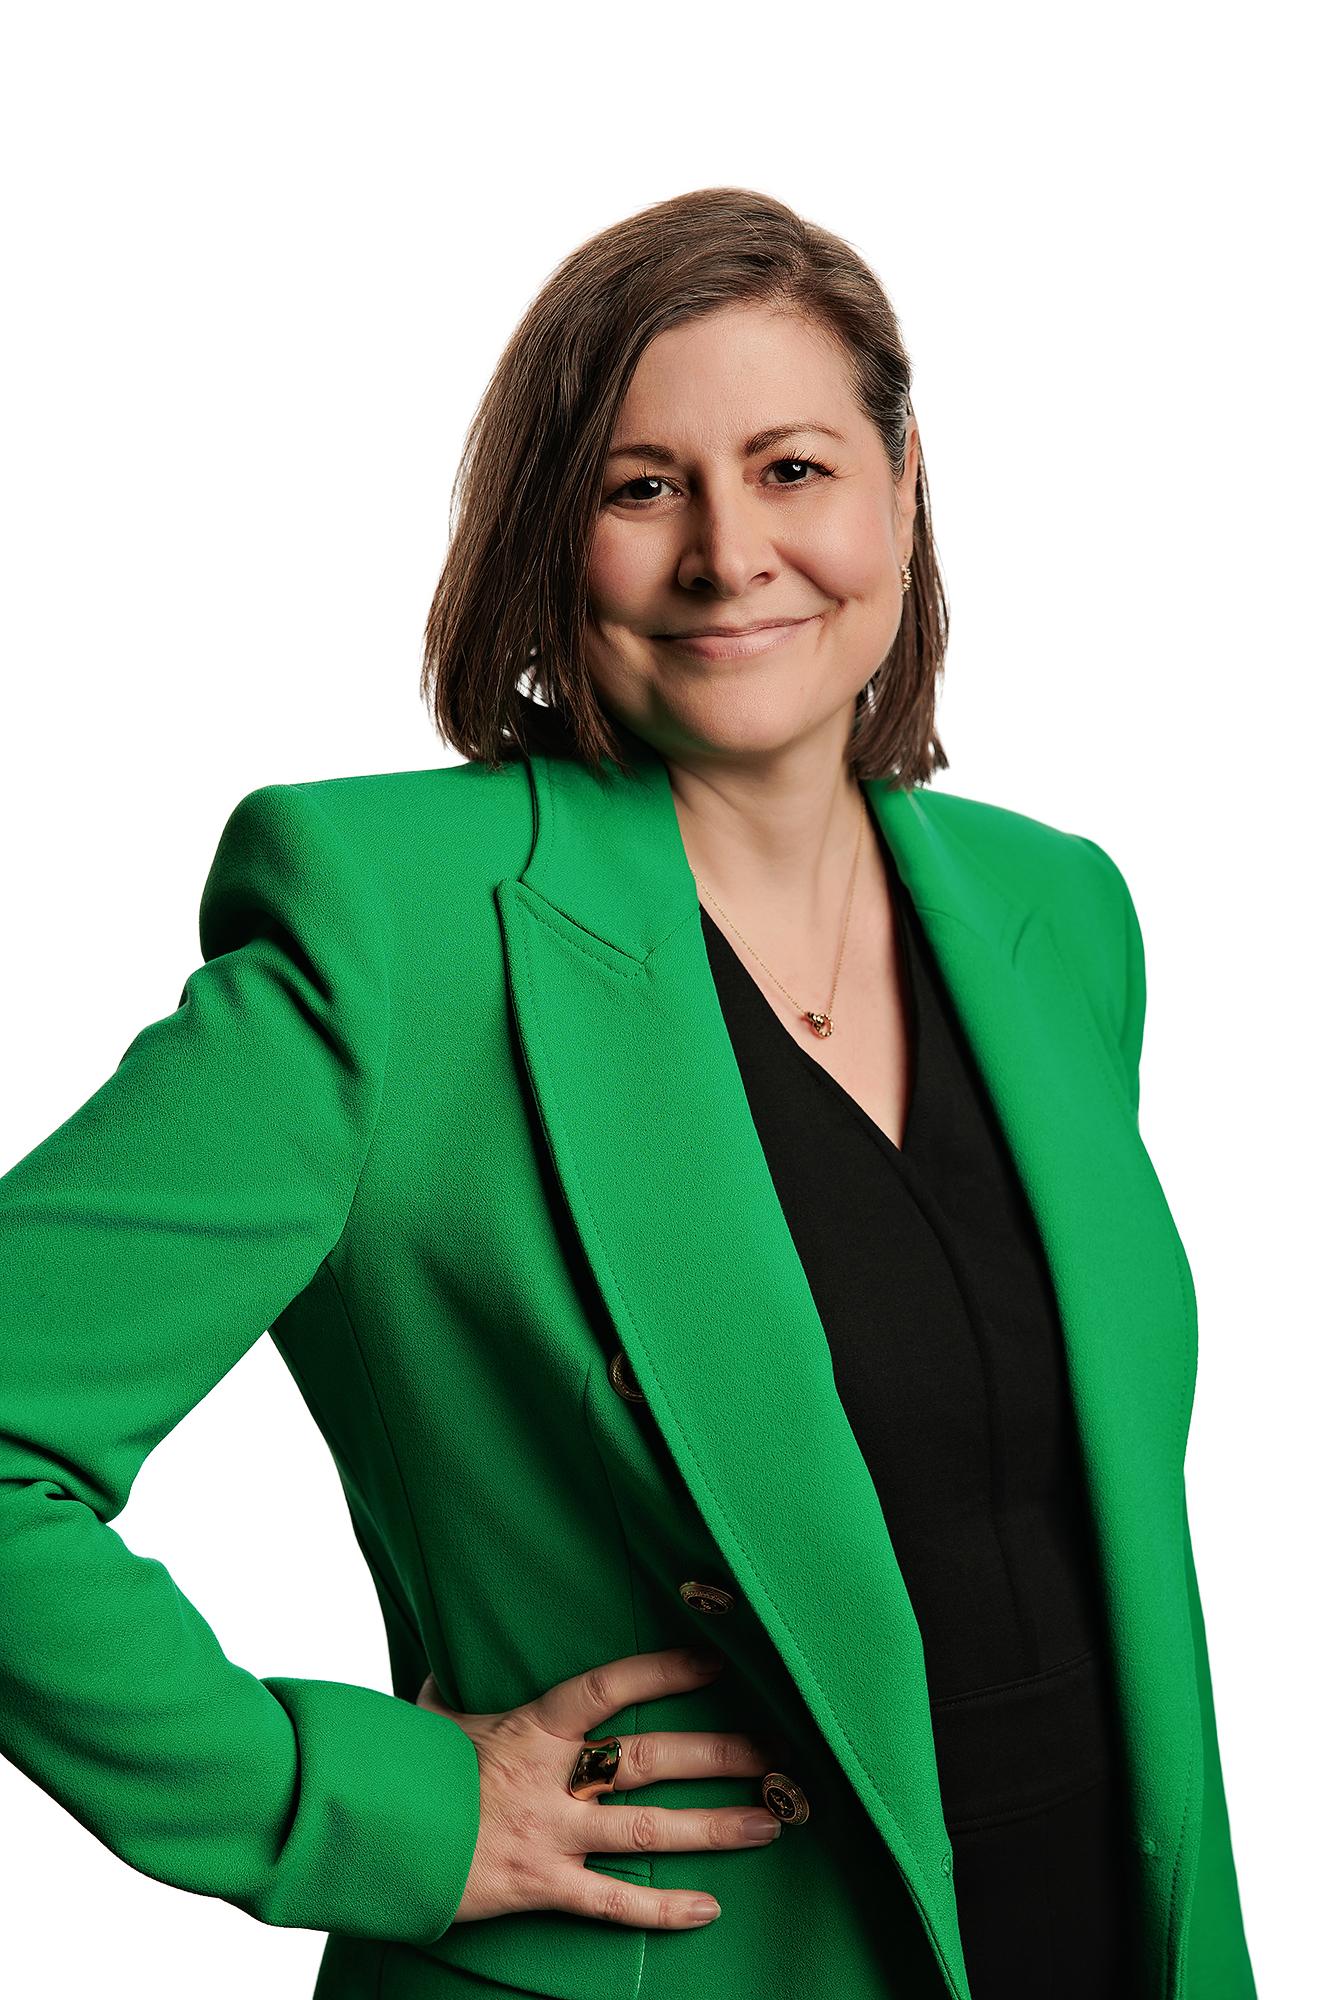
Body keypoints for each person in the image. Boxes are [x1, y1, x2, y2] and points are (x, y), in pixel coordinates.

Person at [0, 187, 1256, 2000]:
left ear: (902, 492)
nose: (730, 555)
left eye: (794, 469)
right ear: (548, 537)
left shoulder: (1056, 913)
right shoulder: (394, 929)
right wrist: (364, 1808)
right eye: (642, 487)